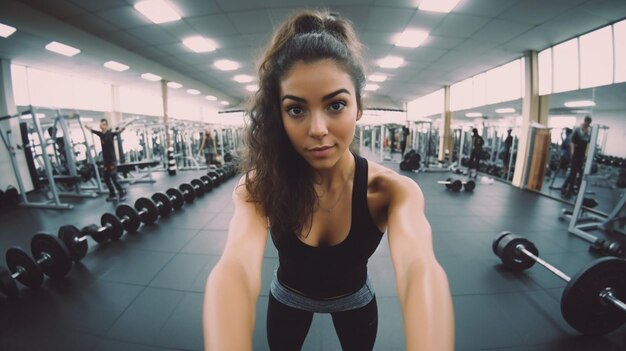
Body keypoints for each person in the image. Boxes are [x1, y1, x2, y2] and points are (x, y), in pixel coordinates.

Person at [202, 10, 454, 351]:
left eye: (335, 105)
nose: (318, 129)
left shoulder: (391, 191)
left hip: (354, 300)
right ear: (279, 114)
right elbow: (235, 268)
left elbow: (419, 269)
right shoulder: (259, 188)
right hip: (288, 297)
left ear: (359, 108)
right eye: (296, 109)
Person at [85, 118, 126, 201]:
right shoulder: (100, 134)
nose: (101, 125)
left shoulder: (111, 134)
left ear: (106, 126)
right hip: (106, 161)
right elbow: (93, 131)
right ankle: (113, 194)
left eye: (103, 124)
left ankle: (121, 194)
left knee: (114, 178)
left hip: (112, 161)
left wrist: (123, 127)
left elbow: (118, 132)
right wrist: (87, 127)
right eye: (101, 124)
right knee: (106, 178)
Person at [561, 116, 592, 198]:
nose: (588, 124)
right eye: (587, 122)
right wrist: (572, 153)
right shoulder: (578, 130)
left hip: (582, 155)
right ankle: (569, 192)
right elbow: (572, 142)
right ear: (585, 121)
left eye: (589, 123)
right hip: (575, 154)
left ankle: (565, 187)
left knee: (578, 174)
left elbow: (588, 144)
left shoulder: (589, 132)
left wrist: (586, 155)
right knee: (573, 174)